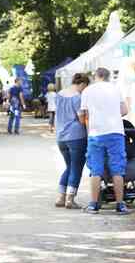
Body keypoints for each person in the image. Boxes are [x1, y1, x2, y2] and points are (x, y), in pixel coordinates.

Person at [79, 67, 130, 215]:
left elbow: (83, 113)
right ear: (108, 77)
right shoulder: (116, 89)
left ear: (96, 76)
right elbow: (125, 111)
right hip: (115, 133)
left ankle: (94, 205)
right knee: (118, 170)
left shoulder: (87, 91)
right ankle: (120, 205)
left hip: (95, 134)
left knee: (96, 170)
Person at [54, 74, 90, 209]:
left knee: (69, 166)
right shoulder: (77, 98)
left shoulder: (59, 95)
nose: (84, 90)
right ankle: (70, 199)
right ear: (82, 84)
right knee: (76, 167)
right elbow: (81, 119)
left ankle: (61, 197)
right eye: (85, 87)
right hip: (76, 136)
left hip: (61, 137)